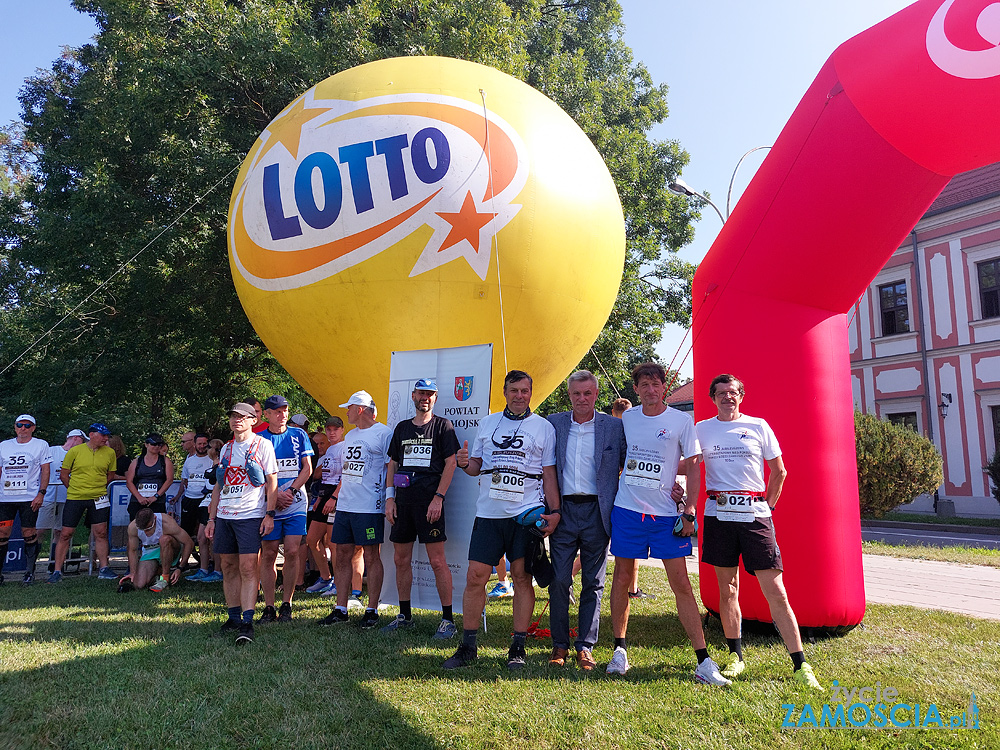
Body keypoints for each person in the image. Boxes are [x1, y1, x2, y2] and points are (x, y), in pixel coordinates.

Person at [696, 373, 822, 690]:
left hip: (754, 515)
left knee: (776, 591)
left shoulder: (758, 426)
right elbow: (688, 465)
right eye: (721, 392)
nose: (727, 397)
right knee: (728, 590)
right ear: (712, 397)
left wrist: (768, 506)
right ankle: (735, 656)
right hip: (718, 514)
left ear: (742, 396)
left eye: (733, 392)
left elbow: (780, 471)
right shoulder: (702, 428)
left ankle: (801, 664)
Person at [606, 362, 729, 685]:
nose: (650, 390)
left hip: (665, 516)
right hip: (628, 510)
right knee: (621, 580)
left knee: (682, 586)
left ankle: (703, 660)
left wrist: (689, 508)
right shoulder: (628, 418)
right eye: (643, 385)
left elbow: (693, 466)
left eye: (655, 384)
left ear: (664, 387)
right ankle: (619, 651)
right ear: (636, 390)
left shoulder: (680, 420)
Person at [443, 370, 561, 671]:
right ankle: (468, 647)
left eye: (525, 390)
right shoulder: (487, 423)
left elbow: (549, 474)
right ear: (504, 392)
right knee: (475, 577)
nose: (519, 396)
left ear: (531, 393)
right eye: (514, 390)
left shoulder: (543, 427)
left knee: (522, 577)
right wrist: (465, 463)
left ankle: (517, 646)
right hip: (489, 513)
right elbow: (476, 467)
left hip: (525, 515)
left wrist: (556, 512)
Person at [545, 371, 626, 671]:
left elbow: (631, 465)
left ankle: (585, 647)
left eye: (587, 393)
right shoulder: (553, 424)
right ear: (569, 395)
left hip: (597, 511)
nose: (582, 399)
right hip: (562, 510)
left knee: (593, 582)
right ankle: (559, 645)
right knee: (559, 580)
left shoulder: (614, 427)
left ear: (596, 394)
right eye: (576, 394)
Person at [382, 379, 460, 638]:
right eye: (421, 393)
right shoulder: (402, 428)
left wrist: (439, 497)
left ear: (435, 398)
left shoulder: (443, 426)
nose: (424, 398)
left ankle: (448, 620)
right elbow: (392, 464)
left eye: (430, 394)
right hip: (403, 503)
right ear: (413, 396)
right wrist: (390, 498)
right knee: (400, 559)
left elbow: (451, 463)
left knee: (437, 561)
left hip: (430, 504)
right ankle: (404, 615)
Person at [317, 390, 391, 629]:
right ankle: (341, 608)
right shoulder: (350, 435)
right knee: (341, 554)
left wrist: (388, 497)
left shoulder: (384, 433)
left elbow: (391, 467)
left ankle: (372, 609)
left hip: (369, 506)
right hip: (346, 506)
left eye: (348, 408)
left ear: (360, 409)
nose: (346, 412)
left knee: (371, 555)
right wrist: (338, 498)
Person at [206, 403, 278, 645]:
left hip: (250, 514)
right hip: (225, 515)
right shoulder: (225, 449)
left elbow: (272, 482)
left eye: (241, 417)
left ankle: (248, 621)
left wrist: (269, 514)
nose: (236, 420)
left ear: (253, 420)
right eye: (233, 416)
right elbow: (219, 485)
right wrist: (211, 518)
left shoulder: (262, 445)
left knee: (248, 567)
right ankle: (233, 616)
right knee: (227, 565)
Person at [257, 394, 313, 624]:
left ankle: (287, 603)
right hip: (270, 503)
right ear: (267, 414)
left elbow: (307, 468)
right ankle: (269, 606)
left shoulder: (299, 434)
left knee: (292, 551)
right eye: (277, 411)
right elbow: (255, 474)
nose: (282, 415)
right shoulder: (259, 439)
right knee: (269, 553)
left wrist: (290, 492)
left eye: (285, 410)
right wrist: (274, 495)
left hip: (296, 501)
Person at [51, 422, 118, 582]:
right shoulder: (75, 451)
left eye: (107, 435)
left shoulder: (110, 452)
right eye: (103, 435)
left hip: (99, 497)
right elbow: (64, 475)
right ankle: (57, 571)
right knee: (66, 533)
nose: (106, 438)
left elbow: (111, 475)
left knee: (101, 532)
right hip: (75, 497)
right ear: (92, 435)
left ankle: (104, 568)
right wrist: (75, 488)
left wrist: (98, 488)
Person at [0, 415, 51, 585]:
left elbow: (45, 470)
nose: (23, 428)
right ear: (14, 427)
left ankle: (29, 571)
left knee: (28, 533)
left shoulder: (41, 445)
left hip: (29, 498)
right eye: (20, 425)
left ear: (33, 428)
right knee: (2, 533)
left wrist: (41, 493)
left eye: (27, 426)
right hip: (5, 498)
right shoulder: (4, 445)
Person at [304, 417, 344, 596]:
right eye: (328, 429)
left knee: (333, 543)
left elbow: (346, 476)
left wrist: (334, 498)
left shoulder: (344, 448)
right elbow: (322, 478)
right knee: (312, 540)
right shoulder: (327, 452)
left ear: (342, 430)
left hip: (337, 497)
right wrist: (320, 499)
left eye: (335, 429)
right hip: (324, 496)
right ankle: (325, 578)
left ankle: (339, 582)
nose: (332, 432)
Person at [38, 429, 86, 568]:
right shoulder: (52, 451)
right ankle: (31, 563)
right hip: (48, 496)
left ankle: (54, 565)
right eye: (83, 441)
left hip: (68, 497)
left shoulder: (80, 454)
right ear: (77, 438)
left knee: (61, 531)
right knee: (39, 530)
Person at [119, 507, 194, 592]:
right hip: (149, 551)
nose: (146, 533)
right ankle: (157, 574)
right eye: (143, 530)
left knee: (164, 539)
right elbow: (133, 550)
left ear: (155, 519)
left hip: (170, 548)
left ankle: (164, 578)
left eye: (149, 528)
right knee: (139, 585)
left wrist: (180, 568)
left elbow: (189, 543)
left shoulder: (167, 522)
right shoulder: (133, 527)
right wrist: (132, 572)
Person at [177, 434, 217, 578]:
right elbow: (185, 480)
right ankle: (188, 564)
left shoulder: (213, 460)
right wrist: (177, 496)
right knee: (190, 534)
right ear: (194, 444)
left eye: (205, 444)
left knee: (208, 536)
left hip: (207, 501)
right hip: (190, 499)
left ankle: (214, 567)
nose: (202, 446)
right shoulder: (189, 461)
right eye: (199, 444)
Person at [124, 434, 174, 521]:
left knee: (157, 527)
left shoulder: (165, 461)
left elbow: (169, 480)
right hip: (138, 500)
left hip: (157, 501)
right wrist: (139, 498)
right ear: (146, 445)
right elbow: (129, 481)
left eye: (159, 444)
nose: (156, 447)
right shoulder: (137, 461)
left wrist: (156, 496)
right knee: (136, 527)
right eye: (153, 444)